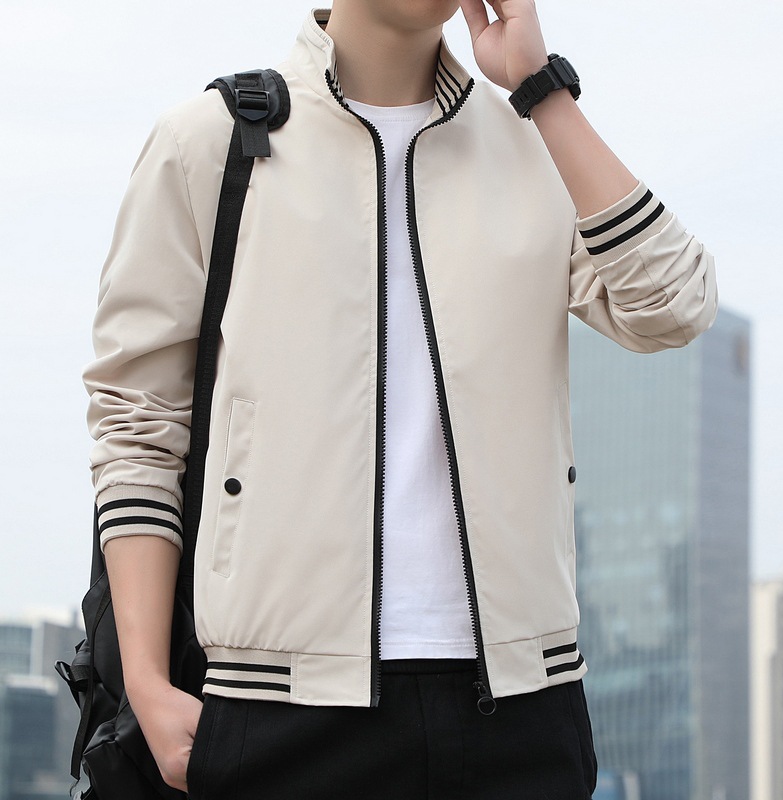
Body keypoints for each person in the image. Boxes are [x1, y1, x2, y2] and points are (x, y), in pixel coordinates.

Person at [82, 1, 717, 798]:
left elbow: (673, 306)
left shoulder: (533, 146)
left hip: (524, 704)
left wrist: (541, 90)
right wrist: (144, 679)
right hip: (277, 704)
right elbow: (138, 426)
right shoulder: (209, 142)